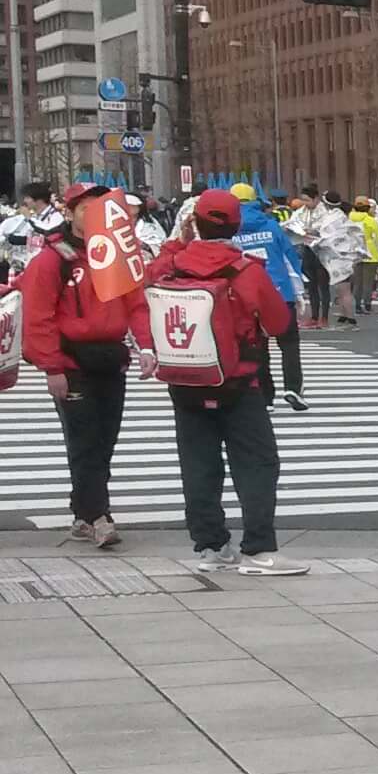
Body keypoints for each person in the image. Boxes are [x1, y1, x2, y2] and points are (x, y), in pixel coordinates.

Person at [141, 190, 306, 576]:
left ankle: (211, 546)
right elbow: (279, 324)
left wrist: (178, 239)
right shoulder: (246, 270)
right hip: (237, 381)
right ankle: (259, 548)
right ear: (236, 224)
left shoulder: (170, 266)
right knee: (257, 463)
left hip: (184, 379)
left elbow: (148, 287)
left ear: (193, 222)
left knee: (198, 465)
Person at [18, 185, 130, 549]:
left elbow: (137, 302)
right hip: (71, 360)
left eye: (101, 206)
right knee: (85, 441)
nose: (94, 213)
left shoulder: (115, 254)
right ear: (70, 212)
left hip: (111, 358)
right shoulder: (53, 259)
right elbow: (38, 317)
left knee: (105, 440)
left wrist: (146, 346)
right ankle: (99, 516)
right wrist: (51, 367)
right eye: (86, 207)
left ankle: (82, 514)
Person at [228, 185, 309, 413]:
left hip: (247, 294)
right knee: (289, 342)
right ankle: (293, 387)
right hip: (279, 291)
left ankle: (265, 396)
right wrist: (298, 291)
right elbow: (289, 258)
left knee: (258, 345)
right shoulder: (272, 225)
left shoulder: (231, 229)